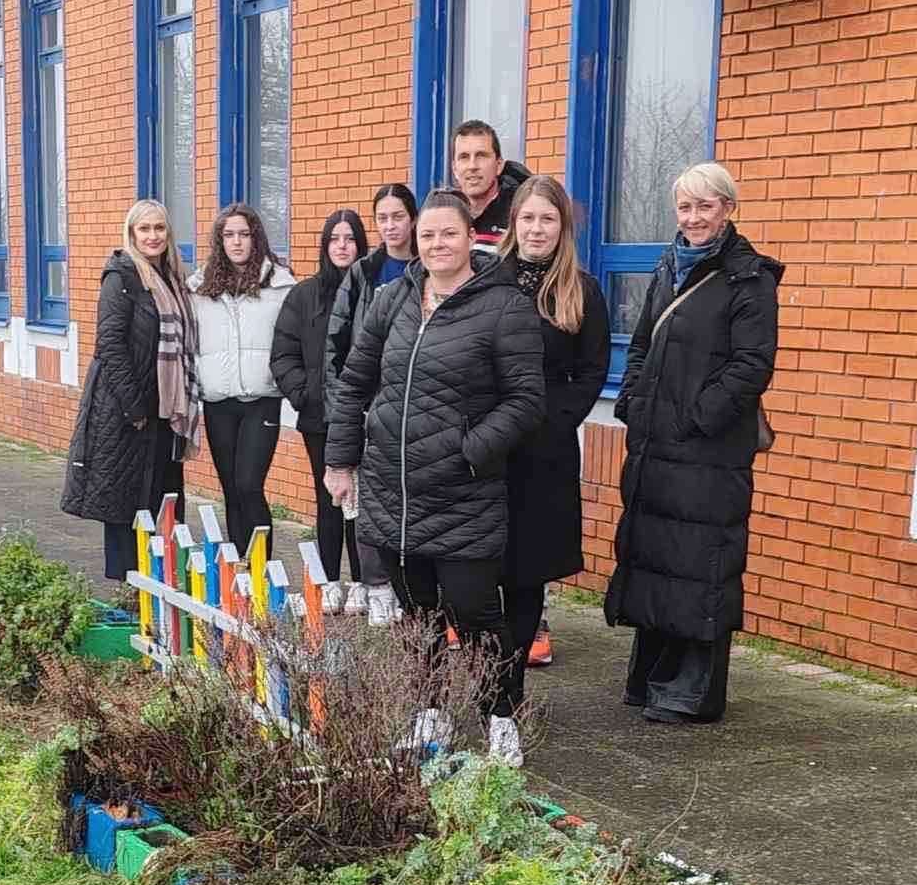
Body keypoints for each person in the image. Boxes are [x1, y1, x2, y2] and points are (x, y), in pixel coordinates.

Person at [323, 189, 545, 766]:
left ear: (471, 235)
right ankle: (431, 711)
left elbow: (525, 401)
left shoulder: (504, 305)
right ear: (414, 240)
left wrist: (469, 452)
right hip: (391, 489)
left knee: (476, 617)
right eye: (428, 235)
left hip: (463, 492)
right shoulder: (393, 298)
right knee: (414, 616)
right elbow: (353, 384)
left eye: (449, 233)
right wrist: (340, 462)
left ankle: (499, 716)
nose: (438, 244)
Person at [605, 161, 781, 724]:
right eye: (685, 206)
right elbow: (640, 345)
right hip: (657, 444)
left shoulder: (748, 278)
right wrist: (631, 401)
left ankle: (691, 690)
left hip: (708, 451)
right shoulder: (667, 269)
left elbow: (752, 364)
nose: (695, 217)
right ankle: (653, 678)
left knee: (700, 563)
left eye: (706, 206)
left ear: (728, 208)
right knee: (658, 559)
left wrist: (697, 418)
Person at [496, 176, 610, 694]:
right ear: (513, 224)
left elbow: (592, 370)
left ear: (562, 226)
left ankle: (509, 684)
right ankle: (482, 670)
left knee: (526, 572)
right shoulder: (486, 281)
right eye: (528, 218)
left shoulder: (580, 289)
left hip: (544, 451)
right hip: (490, 445)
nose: (537, 228)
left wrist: (553, 419)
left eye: (547, 218)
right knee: (478, 569)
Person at [62, 199, 199, 582]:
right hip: (129, 411)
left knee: (163, 498)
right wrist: (134, 408)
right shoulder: (121, 277)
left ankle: (162, 581)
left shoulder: (173, 278)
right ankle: (129, 586)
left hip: (168, 410)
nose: (153, 236)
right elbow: (110, 345)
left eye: (159, 228)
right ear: (132, 233)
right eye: (145, 229)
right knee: (126, 501)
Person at [323, 183, 419, 625]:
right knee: (366, 503)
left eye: (398, 216)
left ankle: (409, 586)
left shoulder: (428, 265)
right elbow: (337, 344)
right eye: (382, 218)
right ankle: (376, 585)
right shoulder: (364, 272)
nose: (391, 225)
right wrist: (343, 406)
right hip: (370, 403)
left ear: (412, 218)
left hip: (416, 402)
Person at [270, 209, 368, 612]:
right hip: (320, 418)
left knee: (365, 505)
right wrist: (304, 394)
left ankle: (364, 582)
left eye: (350, 238)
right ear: (325, 246)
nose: (342, 246)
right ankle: (329, 581)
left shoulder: (373, 290)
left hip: (366, 416)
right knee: (330, 500)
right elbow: (283, 353)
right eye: (335, 239)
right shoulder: (304, 295)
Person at [189, 204, 295, 560]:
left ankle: (262, 569)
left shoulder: (280, 284)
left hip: (261, 399)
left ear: (256, 238)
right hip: (219, 402)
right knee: (231, 489)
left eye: (244, 234)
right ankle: (239, 573)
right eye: (229, 234)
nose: (237, 242)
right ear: (220, 240)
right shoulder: (199, 288)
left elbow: (294, 340)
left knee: (250, 485)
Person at [450, 119, 530, 251]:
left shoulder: (522, 213)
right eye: (464, 157)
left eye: (481, 156)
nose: (472, 166)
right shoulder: (444, 214)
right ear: (454, 169)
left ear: (499, 165)